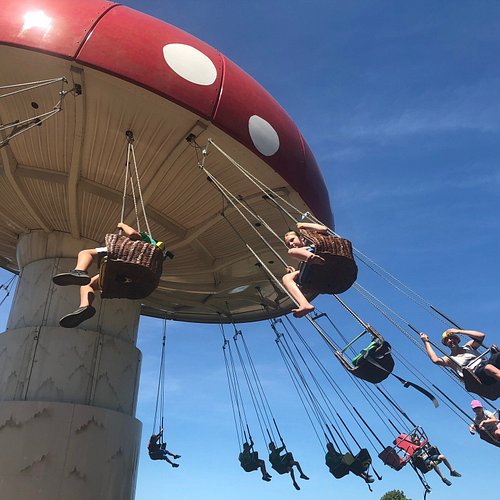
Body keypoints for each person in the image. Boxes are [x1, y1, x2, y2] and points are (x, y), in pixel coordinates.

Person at [53, 222, 165, 328]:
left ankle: (79, 271)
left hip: (124, 255)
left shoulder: (145, 242)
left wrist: (122, 225)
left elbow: (133, 234)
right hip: (129, 276)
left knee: (86, 253)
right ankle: (84, 308)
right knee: (88, 284)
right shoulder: (154, 260)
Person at [419, 329, 500, 384]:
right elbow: (435, 360)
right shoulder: (449, 359)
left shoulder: (469, 346)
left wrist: (458, 331)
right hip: (477, 375)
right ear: (446, 344)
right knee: (489, 368)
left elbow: (481, 336)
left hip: (487, 363)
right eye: (447, 340)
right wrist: (426, 342)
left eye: (452, 338)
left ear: (457, 340)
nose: (450, 341)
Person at [282, 222, 328, 318]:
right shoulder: (301, 260)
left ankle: (313, 258)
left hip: (319, 255)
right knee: (286, 278)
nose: (291, 244)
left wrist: (303, 225)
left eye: (292, 240)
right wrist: (294, 273)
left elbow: (323, 229)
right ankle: (304, 304)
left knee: (291, 252)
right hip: (313, 269)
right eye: (288, 244)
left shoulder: (314, 241)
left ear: (301, 238)